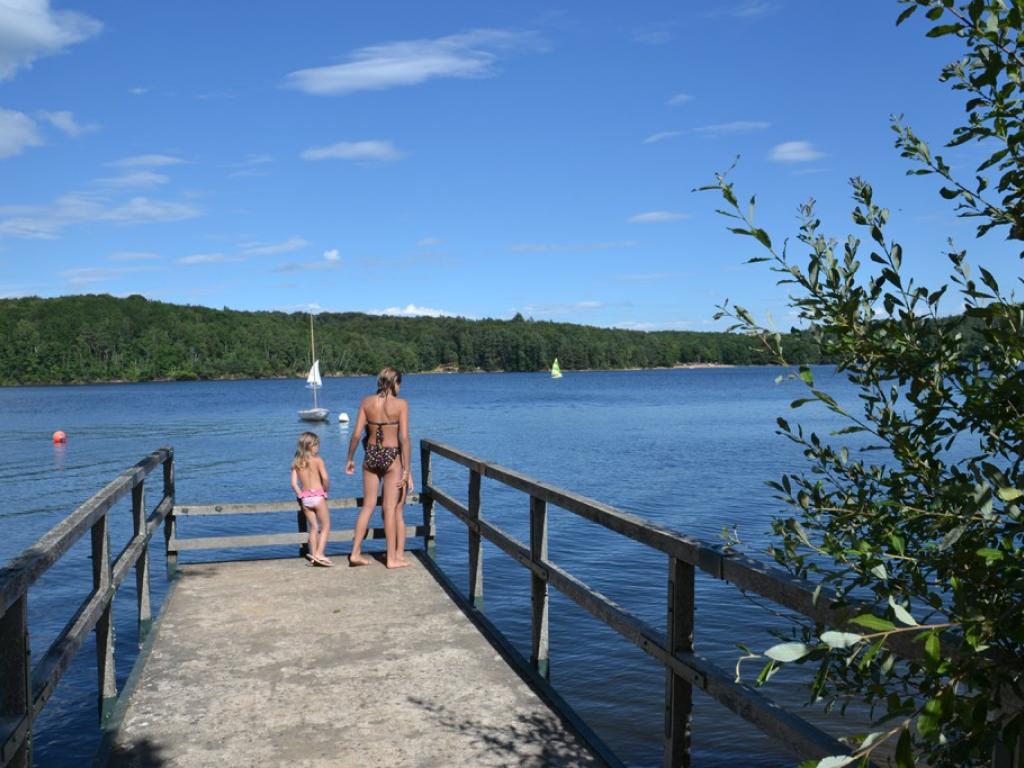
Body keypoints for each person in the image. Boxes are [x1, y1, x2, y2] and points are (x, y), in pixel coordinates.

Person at [346, 367, 413, 568]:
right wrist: (407, 468)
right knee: (390, 508)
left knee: (368, 506)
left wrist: (349, 458)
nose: (400, 388)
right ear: (394, 383)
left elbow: (357, 434)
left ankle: (355, 553)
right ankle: (391, 558)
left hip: (371, 455)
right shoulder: (401, 404)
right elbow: (404, 438)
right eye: (399, 384)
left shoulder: (366, 402)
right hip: (392, 457)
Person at [291, 431, 333, 566]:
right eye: (316, 445)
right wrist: (325, 491)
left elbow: (293, 483)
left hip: (306, 498)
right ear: (310, 446)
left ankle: (314, 557)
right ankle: (320, 553)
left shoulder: (297, 462)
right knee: (326, 526)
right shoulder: (318, 460)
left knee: (314, 527)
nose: (318, 447)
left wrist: (300, 494)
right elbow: (325, 478)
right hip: (318, 496)